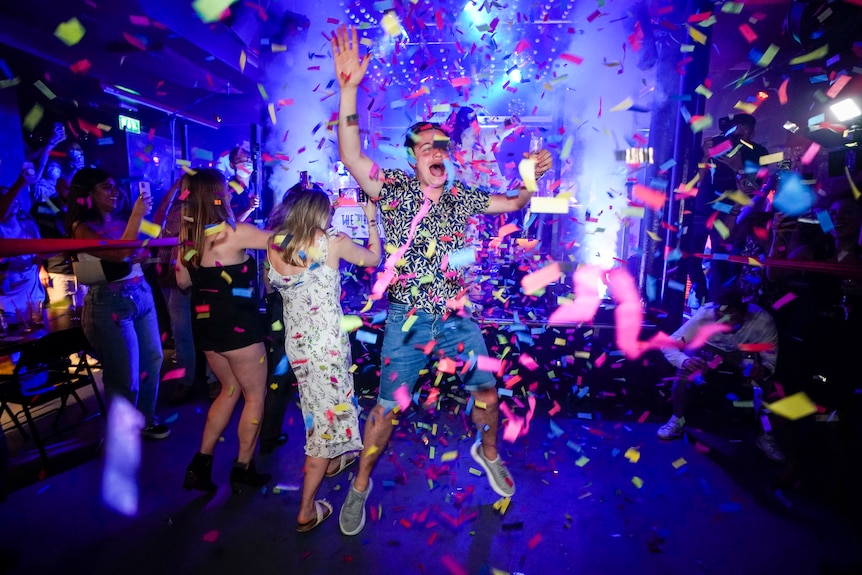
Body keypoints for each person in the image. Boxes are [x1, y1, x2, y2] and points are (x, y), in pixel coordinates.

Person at [331, 25, 553, 536]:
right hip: (407, 324)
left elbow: (518, 202)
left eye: (442, 146)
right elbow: (349, 154)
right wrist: (348, 90)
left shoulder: (463, 196)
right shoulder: (394, 188)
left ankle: (488, 450)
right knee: (385, 414)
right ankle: (360, 485)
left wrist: (528, 178)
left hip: (456, 316)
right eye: (426, 146)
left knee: (488, 395)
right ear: (412, 155)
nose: (436, 151)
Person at [267, 187, 381, 532]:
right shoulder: (332, 241)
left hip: (298, 347)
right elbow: (374, 259)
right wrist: (371, 220)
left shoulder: (274, 244)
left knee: (319, 409)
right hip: (326, 350)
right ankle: (306, 509)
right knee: (320, 428)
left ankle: (333, 459)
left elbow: (274, 288)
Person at [176, 168, 272, 494]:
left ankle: (200, 465)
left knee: (229, 390)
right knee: (254, 395)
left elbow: (183, 281)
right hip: (239, 326)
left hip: (207, 328)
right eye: (227, 190)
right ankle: (243, 468)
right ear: (218, 195)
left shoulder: (188, 238)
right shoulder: (236, 233)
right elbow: (282, 242)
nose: (231, 194)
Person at [66, 168, 169, 439]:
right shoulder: (82, 228)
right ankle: (121, 437)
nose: (115, 192)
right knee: (126, 378)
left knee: (153, 361)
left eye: (114, 186)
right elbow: (121, 253)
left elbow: (151, 235)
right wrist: (137, 217)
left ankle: (145, 422)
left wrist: (169, 195)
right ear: (87, 194)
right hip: (109, 304)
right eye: (106, 187)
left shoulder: (121, 219)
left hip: (141, 295)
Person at [658, 287, 783, 461]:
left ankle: (765, 435)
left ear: (744, 315)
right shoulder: (705, 315)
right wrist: (685, 361)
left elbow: (770, 356)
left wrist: (764, 369)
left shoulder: (762, 321)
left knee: (768, 384)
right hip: (707, 348)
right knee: (684, 374)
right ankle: (678, 419)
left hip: (742, 351)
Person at [689, 114, 769, 304]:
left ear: (751, 131)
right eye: (736, 128)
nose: (740, 133)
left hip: (728, 214)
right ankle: (701, 297)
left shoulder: (757, 152)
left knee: (721, 262)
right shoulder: (716, 144)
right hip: (702, 209)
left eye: (745, 129)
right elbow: (696, 181)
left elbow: (754, 188)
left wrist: (738, 167)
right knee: (691, 260)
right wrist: (704, 157)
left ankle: (718, 305)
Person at [1, 165, 46, 326]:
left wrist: (42, 267)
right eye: (4, 199)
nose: (10, 202)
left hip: (31, 293)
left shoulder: (29, 225)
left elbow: (38, 252)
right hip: (7, 298)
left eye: (12, 198)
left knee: (37, 337)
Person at [226, 146, 260, 223]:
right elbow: (230, 223)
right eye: (240, 160)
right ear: (232, 165)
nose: (245, 164)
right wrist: (249, 208)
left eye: (248, 160)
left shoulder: (256, 187)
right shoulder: (228, 191)